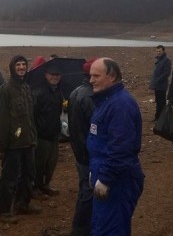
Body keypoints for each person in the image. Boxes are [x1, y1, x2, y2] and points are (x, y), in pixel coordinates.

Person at [88, 58, 144, 235]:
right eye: (90, 76)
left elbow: (121, 148)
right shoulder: (106, 100)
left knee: (111, 229)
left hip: (118, 180)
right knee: (101, 225)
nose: (91, 80)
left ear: (112, 76)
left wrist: (105, 178)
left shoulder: (120, 105)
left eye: (96, 76)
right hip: (105, 171)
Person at [0, 55, 40, 223]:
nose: (21, 67)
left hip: (28, 141)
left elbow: (30, 117)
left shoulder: (26, 88)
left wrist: (33, 137)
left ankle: (22, 204)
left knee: (29, 175)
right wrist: (1, 145)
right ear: (12, 68)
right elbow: (0, 119)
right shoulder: (6, 90)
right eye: (18, 65)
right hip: (12, 144)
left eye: (23, 64)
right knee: (9, 178)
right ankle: (2, 211)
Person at [67, 58, 97, 236]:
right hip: (87, 151)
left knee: (84, 188)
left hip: (78, 148)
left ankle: (81, 227)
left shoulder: (75, 92)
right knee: (88, 191)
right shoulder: (91, 97)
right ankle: (80, 229)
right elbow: (96, 127)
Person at [32, 64, 66, 197]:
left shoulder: (58, 91)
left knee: (51, 162)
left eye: (57, 75)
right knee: (39, 163)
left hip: (54, 133)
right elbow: (33, 115)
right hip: (41, 134)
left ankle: (46, 184)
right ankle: (35, 187)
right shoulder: (38, 92)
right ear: (46, 75)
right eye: (52, 74)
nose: (54, 77)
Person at [149, 45, 172, 122]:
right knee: (158, 101)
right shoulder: (158, 60)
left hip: (162, 85)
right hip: (157, 85)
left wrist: (158, 80)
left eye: (160, 51)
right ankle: (157, 117)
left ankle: (162, 119)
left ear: (163, 51)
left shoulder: (167, 60)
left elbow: (167, 73)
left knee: (161, 102)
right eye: (157, 51)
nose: (158, 53)